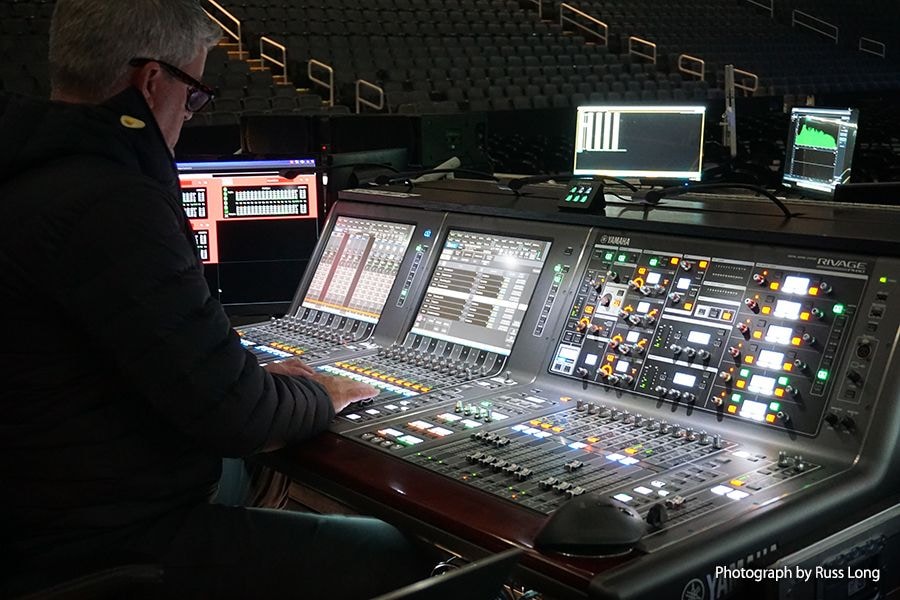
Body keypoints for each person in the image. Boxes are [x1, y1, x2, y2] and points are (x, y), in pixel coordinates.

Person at [0, 1, 429, 597]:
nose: (189, 113)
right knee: (388, 554)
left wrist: (253, 383)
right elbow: (238, 416)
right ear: (152, 82)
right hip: (92, 545)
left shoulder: (32, 170)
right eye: (194, 94)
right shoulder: (111, 203)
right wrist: (322, 393)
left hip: (47, 506)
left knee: (245, 478)